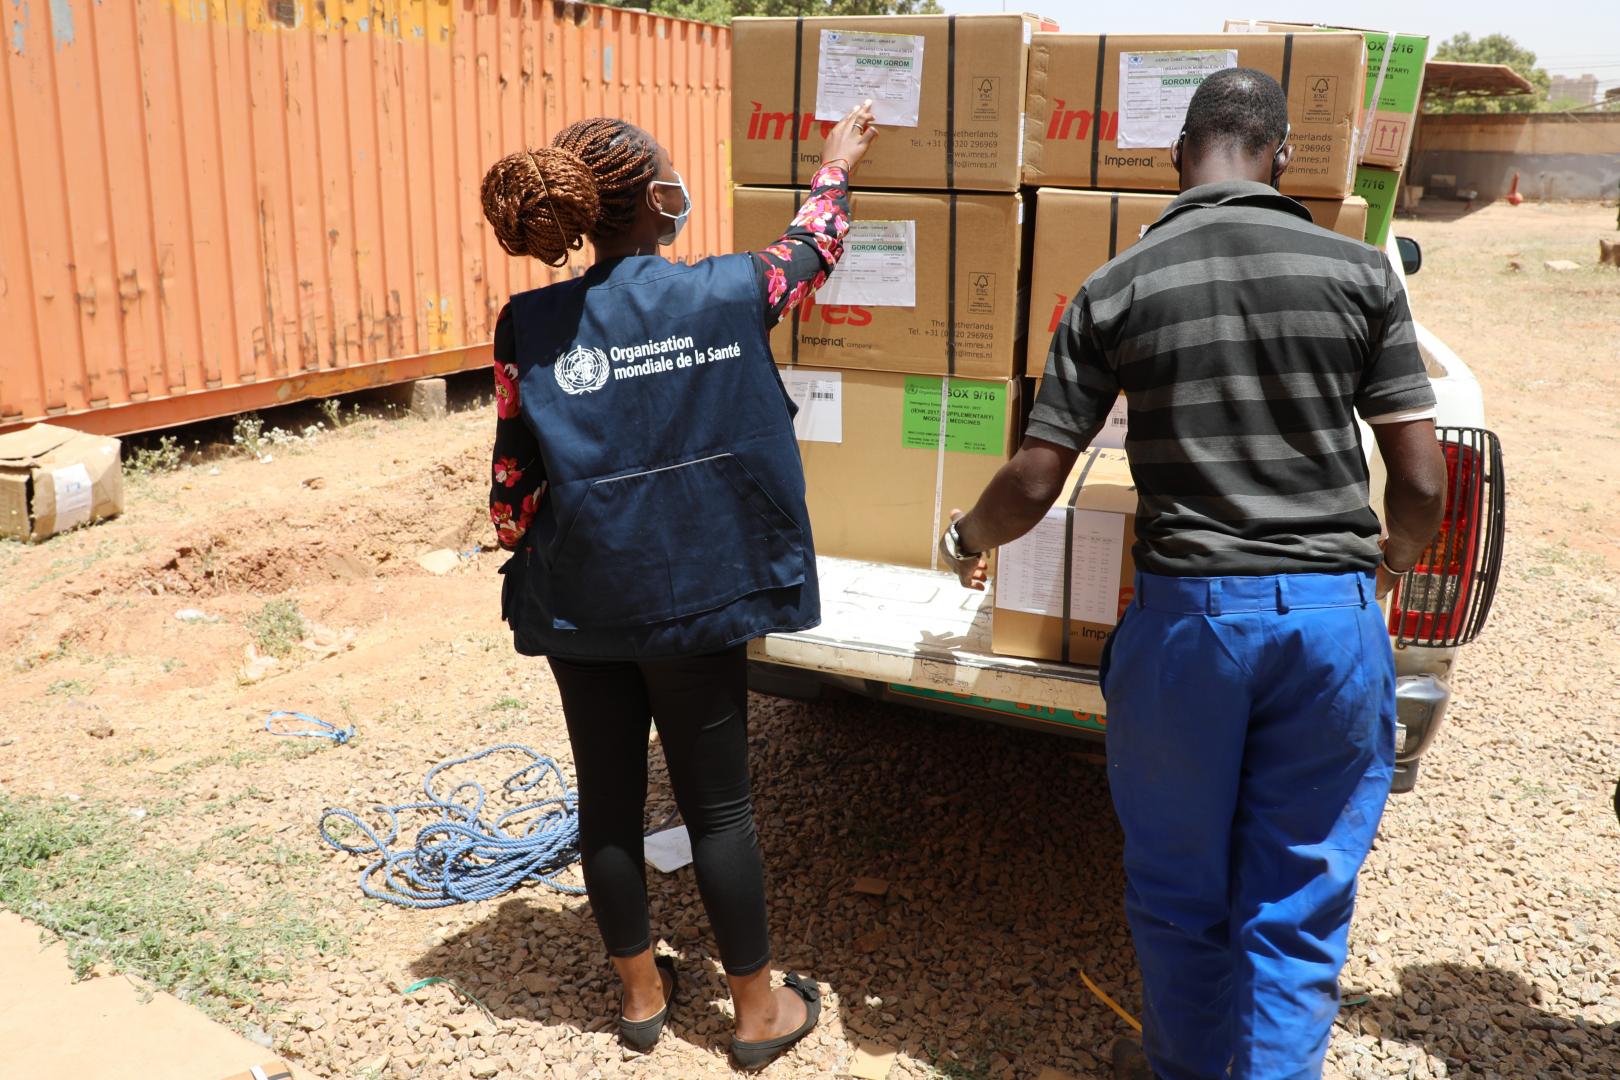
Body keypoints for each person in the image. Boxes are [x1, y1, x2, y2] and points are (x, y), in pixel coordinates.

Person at [937, 69, 1448, 1080]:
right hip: (1330, 626)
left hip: (1190, 633)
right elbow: (1422, 479)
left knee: (1180, 897)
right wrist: (1385, 565)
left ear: (1180, 156)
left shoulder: (1118, 286)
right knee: (1295, 910)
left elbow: (1038, 475)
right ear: (1285, 155)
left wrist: (965, 538)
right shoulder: (1361, 274)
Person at [481, 102, 878, 1067]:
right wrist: (834, 164)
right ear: (662, 199)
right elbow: (814, 246)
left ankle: (641, 996)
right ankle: (754, 1015)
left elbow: (509, 492)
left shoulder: (528, 323)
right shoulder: (731, 291)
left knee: (607, 804)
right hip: (700, 601)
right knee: (721, 811)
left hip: (581, 602)